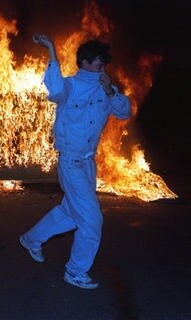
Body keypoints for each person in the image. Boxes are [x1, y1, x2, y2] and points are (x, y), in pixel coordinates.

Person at [19, 34, 131, 289]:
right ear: (85, 62)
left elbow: (125, 111)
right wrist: (51, 50)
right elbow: (55, 89)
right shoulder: (70, 87)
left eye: (104, 65)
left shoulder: (106, 89)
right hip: (71, 163)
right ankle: (75, 271)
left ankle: (31, 239)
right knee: (91, 220)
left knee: (71, 212)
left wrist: (110, 90)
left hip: (89, 164)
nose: (103, 69)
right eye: (99, 64)